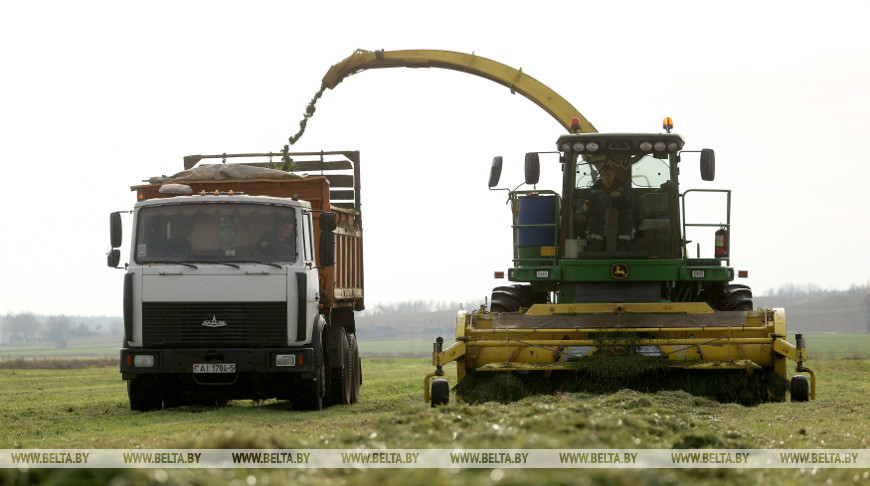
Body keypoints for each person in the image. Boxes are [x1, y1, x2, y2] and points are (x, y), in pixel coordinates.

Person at [580, 163, 634, 251]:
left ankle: (623, 247)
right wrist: (585, 207)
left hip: (620, 214)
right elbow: (586, 202)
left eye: (609, 175)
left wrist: (621, 196)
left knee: (627, 219)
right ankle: (596, 247)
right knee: (594, 221)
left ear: (614, 175)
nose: (606, 178)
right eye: (604, 175)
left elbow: (631, 201)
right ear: (601, 177)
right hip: (600, 215)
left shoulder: (622, 187)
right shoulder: (594, 189)